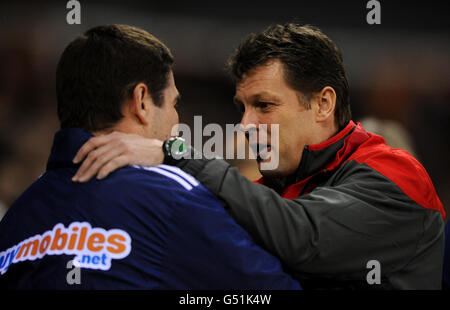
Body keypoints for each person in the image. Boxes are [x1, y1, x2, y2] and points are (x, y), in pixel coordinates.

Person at [72, 23, 446, 289]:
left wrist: (175, 153)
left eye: (264, 105)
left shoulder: (396, 173)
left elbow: (305, 237)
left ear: (322, 103)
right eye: (243, 108)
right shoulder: (264, 190)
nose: (246, 125)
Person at [0, 24, 301, 290]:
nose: (177, 121)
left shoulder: (15, 219)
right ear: (141, 101)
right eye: (173, 103)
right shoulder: (174, 196)